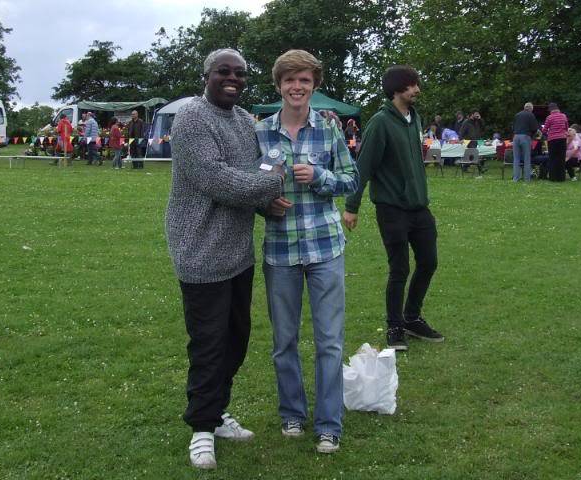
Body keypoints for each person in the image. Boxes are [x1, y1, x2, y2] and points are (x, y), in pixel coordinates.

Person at [165, 48, 285, 470]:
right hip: (200, 249)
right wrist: (273, 184)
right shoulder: (192, 119)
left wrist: (266, 204)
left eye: (240, 74)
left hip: (237, 252)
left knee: (235, 339)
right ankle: (201, 428)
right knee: (209, 343)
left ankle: (216, 413)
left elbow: (249, 178)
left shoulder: (242, 121)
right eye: (224, 72)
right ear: (207, 75)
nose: (233, 79)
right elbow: (216, 179)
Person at [254, 49, 358, 455]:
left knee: (330, 341)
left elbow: (351, 180)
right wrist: (265, 203)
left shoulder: (329, 129)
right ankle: (292, 414)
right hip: (280, 250)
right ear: (279, 85)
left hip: (325, 246)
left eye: (305, 81)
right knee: (284, 340)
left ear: (313, 86)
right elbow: (249, 185)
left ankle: (329, 424)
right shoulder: (260, 132)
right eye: (290, 81)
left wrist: (321, 177)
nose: (297, 88)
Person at [343, 65, 444, 352]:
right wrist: (352, 206)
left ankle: (412, 318)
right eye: (412, 85)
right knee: (399, 268)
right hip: (391, 209)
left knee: (429, 262)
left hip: (419, 208)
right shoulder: (379, 122)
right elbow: (363, 167)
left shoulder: (414, 119)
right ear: (397, 89)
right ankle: (395, 326)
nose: (417, 90)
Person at [511, 102, 539, 182]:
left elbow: (513, 127)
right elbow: (534, 128)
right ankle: (527, 179)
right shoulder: (531, 115)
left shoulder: (517, 115)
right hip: (525, 137)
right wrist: (532, 135)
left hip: (516, 136)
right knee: (526, 158)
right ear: (531, 108)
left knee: (516, 158)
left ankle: (515, 178)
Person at [542, 102, 569, 182]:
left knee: (553, 158)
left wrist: (545, 132)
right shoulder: (563, 116)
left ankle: (553, 178)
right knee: (561, 158)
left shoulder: (549, 117)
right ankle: (561, 178)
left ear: (550, 110)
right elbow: (567, 127)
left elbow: (544, 130)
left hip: (552, 140)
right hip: (562, 139)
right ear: (557, 108)